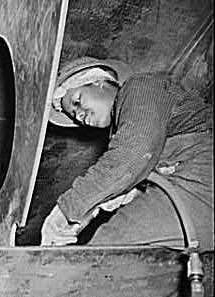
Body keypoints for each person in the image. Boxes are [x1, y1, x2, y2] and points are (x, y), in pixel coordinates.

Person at [41, 57, 213, 251]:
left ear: (99, 81)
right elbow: (129, 182)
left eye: (77, 102)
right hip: (189, 187)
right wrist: (85, 213)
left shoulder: (140, 88)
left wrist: (65, 211)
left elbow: (133, 156)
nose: (79, 115)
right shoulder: (124, 128)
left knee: (107, 247)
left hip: (200, 177)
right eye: (74, 115)